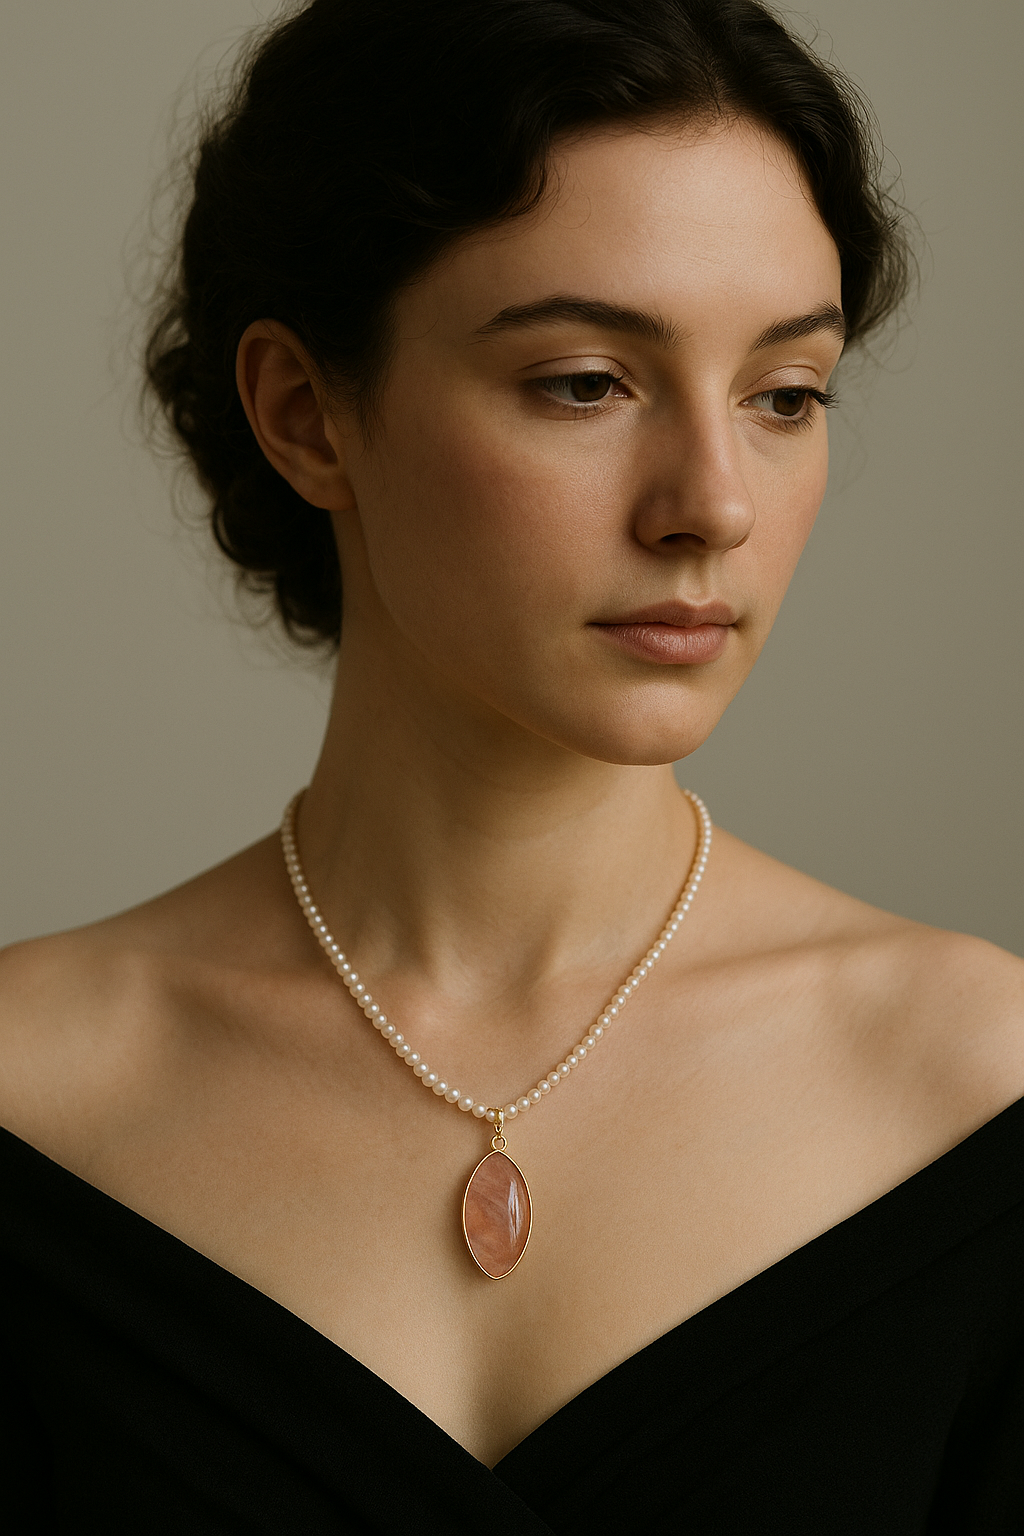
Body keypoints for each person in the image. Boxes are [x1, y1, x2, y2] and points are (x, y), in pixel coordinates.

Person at [1, 0, 1022, 1529]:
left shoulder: (978, 1086)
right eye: (585, 383)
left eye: (784, 396)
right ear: (307, 414)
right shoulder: (35, 1100)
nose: (712, 506)